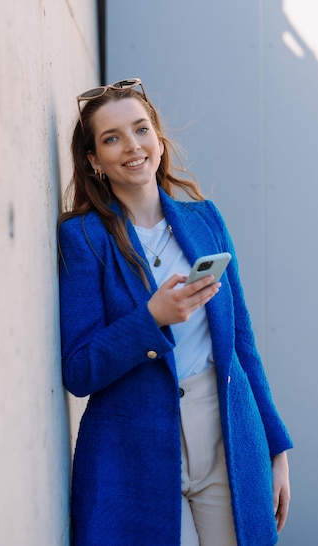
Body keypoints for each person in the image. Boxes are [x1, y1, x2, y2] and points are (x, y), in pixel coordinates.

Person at [58, 78, 292, 546]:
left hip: (226, 431)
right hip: (134, 448)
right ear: (94, 161)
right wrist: (151, 318)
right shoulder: (84, 238)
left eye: (140, 129)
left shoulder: (206, 221)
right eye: (111, 138)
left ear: (159, 141)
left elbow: (242, 343)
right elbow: (79, 369)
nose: (132, 146)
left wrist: (275, 446)